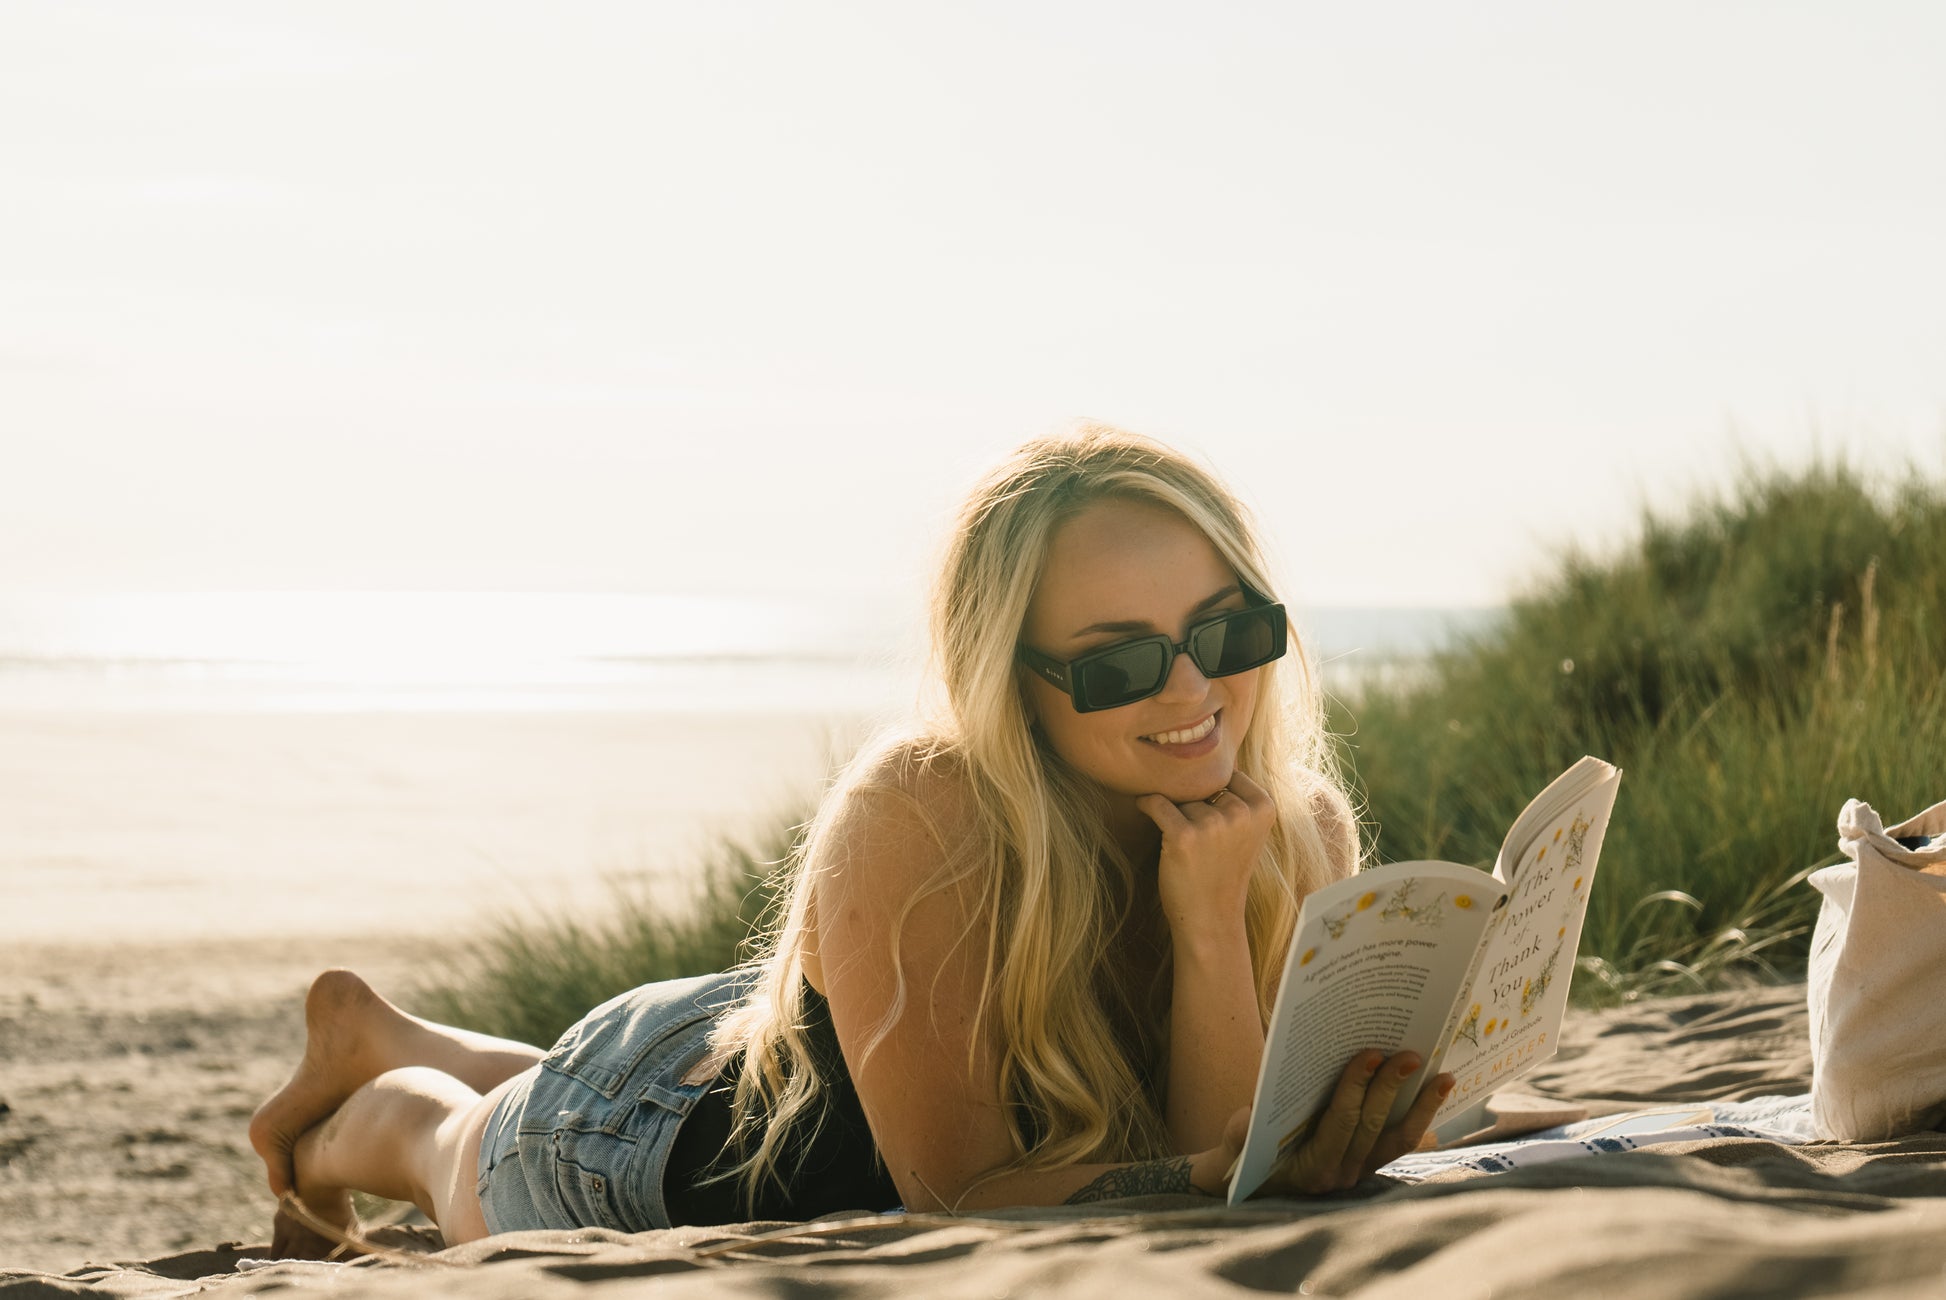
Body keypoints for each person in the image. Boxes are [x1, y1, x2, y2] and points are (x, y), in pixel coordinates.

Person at [247, 425, 1454, 1256]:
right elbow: (965, 1194)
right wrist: (1215, 1153)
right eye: (1122, 660)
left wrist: (1204, 915)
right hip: (638, 1127)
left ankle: (400, 1032)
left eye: (1224, 628)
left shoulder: (1289, 827)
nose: (1193, 689)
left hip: (818, 1026)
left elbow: (1219, 1165)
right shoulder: (917, 814)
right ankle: (387, 1089)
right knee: (452, 1146)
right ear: (1011, 678)